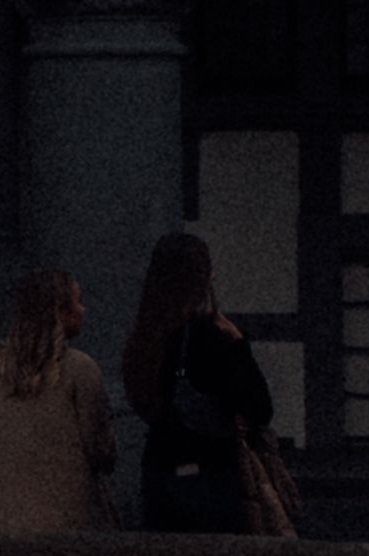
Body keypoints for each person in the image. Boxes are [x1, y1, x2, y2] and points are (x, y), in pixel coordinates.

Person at [118, 224, 282, 534]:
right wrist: (238, 344)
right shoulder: (207, 337)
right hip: (209, 477)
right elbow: (260, 408)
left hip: (158, 473)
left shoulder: (143, 339)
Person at [0, 265, 116, 533]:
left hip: (4, 521)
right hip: (67, 522)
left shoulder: (0, 371)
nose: (83, 310)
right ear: (60, 313)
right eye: (78, 301)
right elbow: (101, 450)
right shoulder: (78, 369)